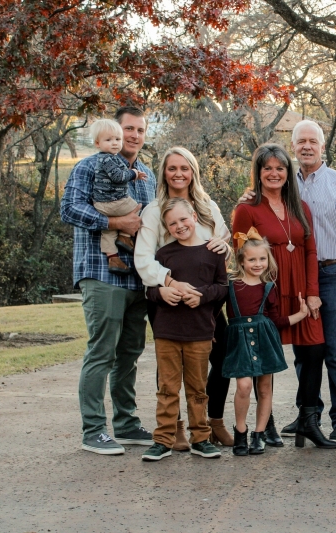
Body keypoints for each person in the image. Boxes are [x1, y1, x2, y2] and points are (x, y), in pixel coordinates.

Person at [238, 120, 336, 445]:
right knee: (279, 353)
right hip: (275, 285)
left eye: (313, 141)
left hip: (326, 277)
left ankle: (334, 419)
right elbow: (242, 250)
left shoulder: (331, 188)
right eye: (301, 141)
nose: (307, 146)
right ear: (294, 147)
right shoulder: (258, 201)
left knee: (328, 349)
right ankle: (279, 421)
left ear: (323, 146)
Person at [61, 106, 156, 455]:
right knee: (101, 352)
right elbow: (69, 209)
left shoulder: (146, 174)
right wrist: (116, 225)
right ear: (111, 132)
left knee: (130, 354)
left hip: (137, 279)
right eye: (126, 129)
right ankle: (93, 431)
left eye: (139, 130)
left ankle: (127, 424)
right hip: (101, 273)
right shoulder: (88, 165)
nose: (132, 136)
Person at [232, 143, 336, 449]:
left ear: (288, 173)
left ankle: (308, 420)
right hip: (269, 294)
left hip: (302, 291)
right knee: (266, 358)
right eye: (268, 168)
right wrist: (255, 297)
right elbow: (242, 257)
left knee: (314, 351)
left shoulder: (300, 207)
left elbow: (310, 250)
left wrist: (314, 293)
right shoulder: (247, 210)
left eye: (280, 168)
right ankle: (266, 425)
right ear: (259, 173)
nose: (274, 173)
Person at [135, 146, 233, 450]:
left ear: (194, 172)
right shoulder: (154, 210)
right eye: (172, 168)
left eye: (184, 168)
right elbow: (143, 257)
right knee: (169, 367)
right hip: (169, 299)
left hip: (207, 301)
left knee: (223, 357)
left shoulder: (207, 207)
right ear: (163, 172)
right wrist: (168, 284)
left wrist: (225, 247)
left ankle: (212, 422)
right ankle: (174, 427)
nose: (178, 174)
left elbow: (223, 240)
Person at [141, 198, 226, 461]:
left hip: (200, 333)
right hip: (167, 333)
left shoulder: (213, 252)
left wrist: (201, 295)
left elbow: (223, 287)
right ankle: (163, 439)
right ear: (166, 228)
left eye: (183, 219)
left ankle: (201, 437)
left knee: (198, 389)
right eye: (172, 223)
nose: (179, 226)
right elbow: (150, 293)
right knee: (167, 388)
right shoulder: (164, 255)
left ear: (195, 217)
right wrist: (162, 292)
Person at [223, 230, 310, 456]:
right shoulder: (231, 285)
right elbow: (216, 312)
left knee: (264, 388)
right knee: (243, 386)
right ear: (241, 260)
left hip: (265, 341)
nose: (258, 263)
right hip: (239, 341)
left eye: (262, 259)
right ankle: (240, 431)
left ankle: (259, 434)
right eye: (252, 259)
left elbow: (274, 320)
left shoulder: (269, 287)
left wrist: (299, 315)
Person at [88, 118, 148, 274]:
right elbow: (118, 177)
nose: (114, 143)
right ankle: (124, 236)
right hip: (101, 278)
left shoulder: (149, 174)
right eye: (129, 128)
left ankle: (113, 258)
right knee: (138, 209)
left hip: (139, 281)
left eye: (117, 139)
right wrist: (133, 174)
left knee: (107, 233)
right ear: (97, 143)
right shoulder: (100, 161)